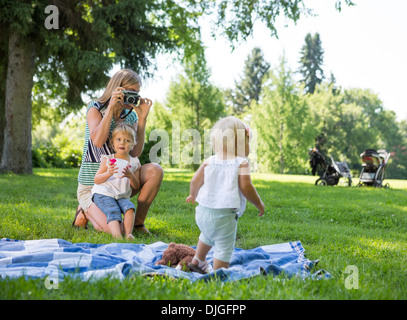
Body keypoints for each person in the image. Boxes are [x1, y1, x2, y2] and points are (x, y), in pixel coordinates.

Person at [73, 69, 163, 234]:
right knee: (114, 231)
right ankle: (85, 210)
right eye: (130, 92)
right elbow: (98, 141)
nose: (134, 98)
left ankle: (137, 224)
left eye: (137, 93)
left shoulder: (131, 116)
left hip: (120, 184)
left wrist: (142, 119)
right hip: (94, 185)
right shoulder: (95, 108)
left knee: (155, 171)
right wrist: (111, 109)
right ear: (117, 89)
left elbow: (134, 152)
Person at [186, 116, 265, 273]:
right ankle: (219, 273)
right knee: (224, 244)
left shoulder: (209, 160)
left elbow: (195, 180)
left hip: (202, 213)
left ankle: (198, 260)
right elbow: (246, 187)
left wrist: (192, 195)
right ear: (240, 144)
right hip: (224, 216)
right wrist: (259, 203)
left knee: (207, 235)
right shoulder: (241, 163)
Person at [92, 123, 140, 240]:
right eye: (118, 139)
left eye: (127, 140)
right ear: (113, 142)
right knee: (113, 210)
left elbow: (136, 185)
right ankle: (117, 237)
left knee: (130, 208)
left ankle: (128, 234)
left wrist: (130, 175)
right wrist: (109, 172)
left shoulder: (134, 162)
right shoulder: (108, 159)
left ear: (133, 144)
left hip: (122, 196)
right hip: (104, 193)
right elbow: (96, 179)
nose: (122, 143)